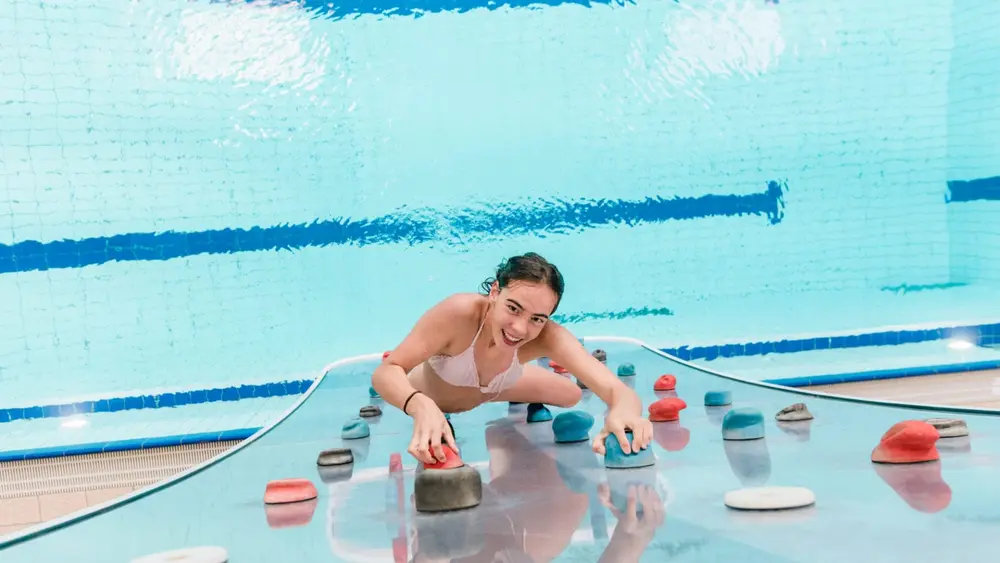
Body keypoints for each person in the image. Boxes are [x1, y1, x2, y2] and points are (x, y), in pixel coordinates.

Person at [371, 252, 653, 465]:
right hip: (434, 389)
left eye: (537, 319)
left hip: (492, 388)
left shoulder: (549, 336)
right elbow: (386, 372)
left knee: (569, 394)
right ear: (495, 292)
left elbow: (617, 390)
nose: (520, 328)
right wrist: (419, 405)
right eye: (513, 308)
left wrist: (624, 412)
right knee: (407, 380)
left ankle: (502, 389)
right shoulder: (460, 313)